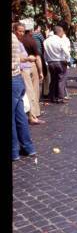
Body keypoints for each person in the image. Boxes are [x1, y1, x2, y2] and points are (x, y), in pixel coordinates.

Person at [12, 31, 37, 161]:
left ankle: (14, 151)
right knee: (20, 114)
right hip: (17, 78)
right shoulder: (14, 38)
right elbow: (17, 57)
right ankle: (28, 147)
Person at [14, 22, 44, 125]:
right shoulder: (17, 42)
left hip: (27, 67)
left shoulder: (21, 41)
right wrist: (28, 59)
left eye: (23, 31)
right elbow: (18, 58)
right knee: (30, 92)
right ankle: (32, 116)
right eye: (19, 31)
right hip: (23, 69)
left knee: (32, 92)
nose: (21, 33)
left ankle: (34, 114)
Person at [43, 26, 71, 103]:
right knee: (61, 80)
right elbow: (66, 52)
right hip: (60, 62)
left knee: (53, 80)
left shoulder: (46, 41)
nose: (63, 33)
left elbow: (45, 53)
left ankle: (52, 96)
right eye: (62, 32)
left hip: (50, 62)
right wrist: (68, 60)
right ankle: (60, 97)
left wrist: (46, 61)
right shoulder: (60, 40)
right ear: (59, 31)